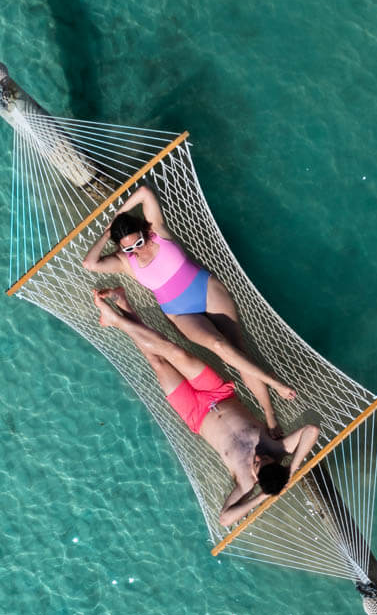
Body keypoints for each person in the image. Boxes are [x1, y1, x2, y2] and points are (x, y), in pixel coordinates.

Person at [92, 289, 319, 528]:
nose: (260, 456)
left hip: (195, 414)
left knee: (157, 362)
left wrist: (263, 496)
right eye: (267, 459)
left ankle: (124, 306)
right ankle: (117, 320)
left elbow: (225, 519)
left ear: (256, 477)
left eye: (257, 463)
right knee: (174, 351)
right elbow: (311, 430)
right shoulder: (277, 448)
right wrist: (292, 470)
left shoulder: (245, 482)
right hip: (218, 392)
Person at [82, 184, 294, 435]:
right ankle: (273, 382)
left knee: (239, 351)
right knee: (218, 345)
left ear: (143, 230)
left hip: (206, 289)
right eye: (128, 247)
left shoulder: (157, 231)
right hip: (180, 311)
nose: (136, 249)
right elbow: (90, 263)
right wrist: (108, 234)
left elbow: (145, 192)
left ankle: (270, 416)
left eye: (138, 241)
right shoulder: (124, 262)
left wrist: (118, 216)